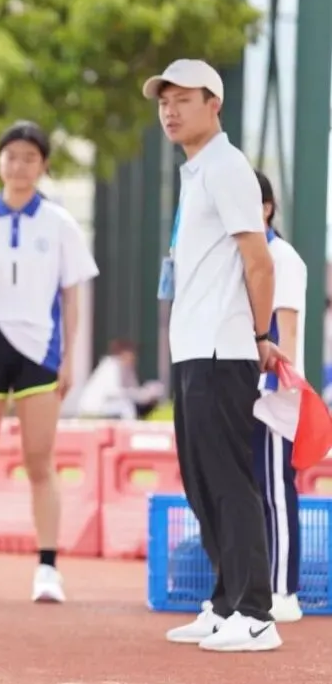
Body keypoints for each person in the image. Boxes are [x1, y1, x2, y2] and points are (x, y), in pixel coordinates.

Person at [144, 59, 285, 652]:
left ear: (214, 104)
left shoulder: (227, 169)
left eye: (183, 99)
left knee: (228, 480)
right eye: (163, 101)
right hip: (195, 346)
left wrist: (257, 336)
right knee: (202, 482)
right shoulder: (198, 172)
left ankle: (255, 614)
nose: (170, 110)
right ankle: (226, 602)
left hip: (222, 349)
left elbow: (260, 260)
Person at [0, 120, 100, 605]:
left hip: (40, 351)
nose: (20, 165)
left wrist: (68, 358)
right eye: (12, 155)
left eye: (31, 157)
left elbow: (72, 299)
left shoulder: (61, 225)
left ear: (44, 165)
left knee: (39, 461)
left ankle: (48, 569)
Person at [252, 170, 307, 624]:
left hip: (272, 392)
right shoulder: (240, 254)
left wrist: (280, 386)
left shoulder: (281, 257)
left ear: (267, 207)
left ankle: (284, 589)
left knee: (274, 492)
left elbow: (284, 329)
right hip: (239, 389)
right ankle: (251, 586)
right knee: (247, 491)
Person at [77, 338, 165, 420]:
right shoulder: (111, 365)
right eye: (131, 353)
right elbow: (113, 392)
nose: (133, 357)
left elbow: (134, 390)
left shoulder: (128, 369)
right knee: (126, 407)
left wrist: (146, 394)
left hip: (110, 404)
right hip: (95, 406)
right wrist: (134, 394)